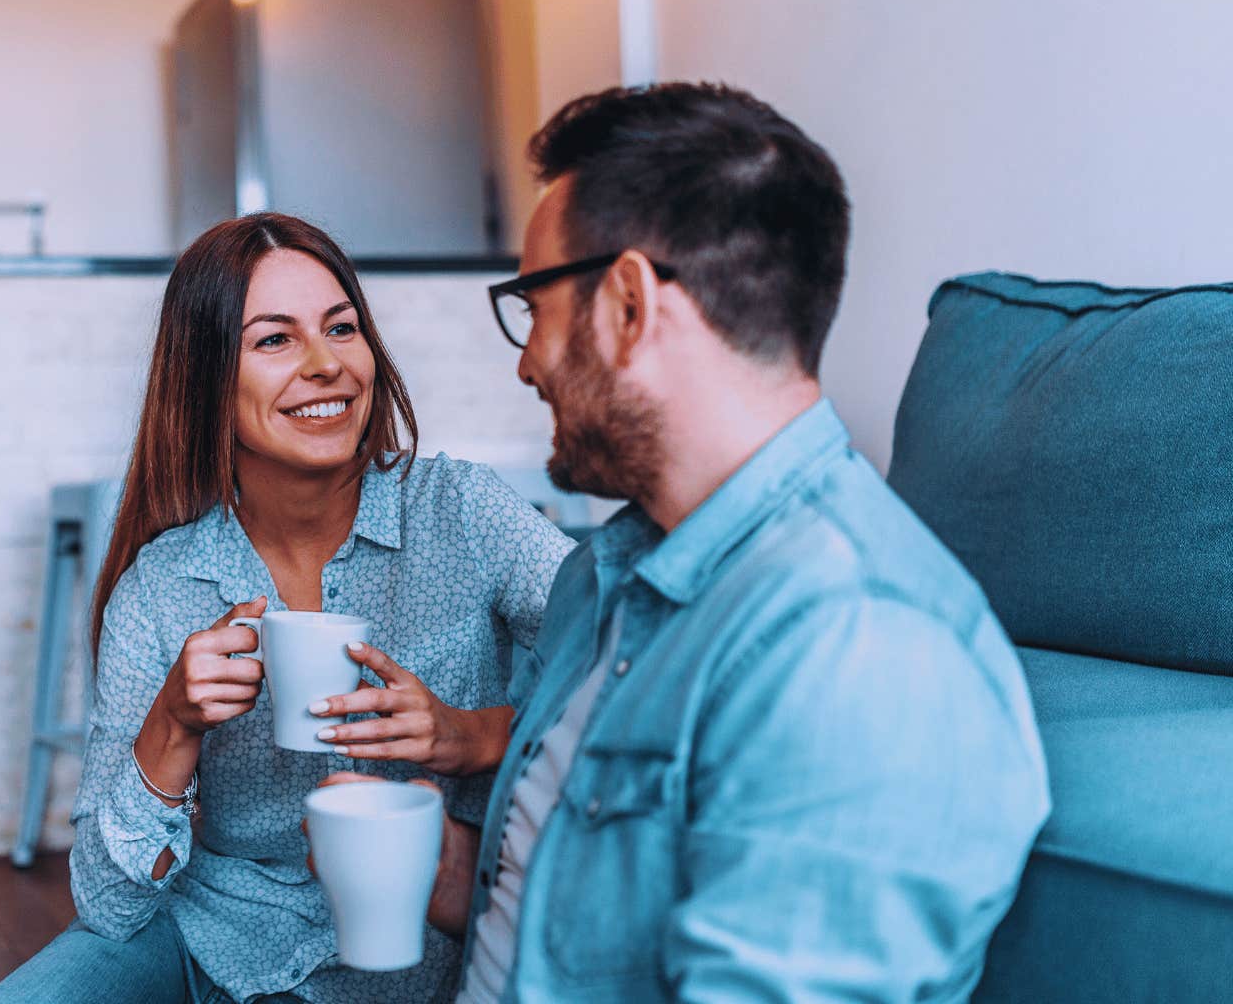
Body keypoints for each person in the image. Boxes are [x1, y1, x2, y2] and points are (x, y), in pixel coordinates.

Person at [321, 82, 1051, 1002]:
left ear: (629, 304)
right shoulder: (603, 576)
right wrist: (434, 866)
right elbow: (570, 938)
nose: (526, 359)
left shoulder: (858, 648)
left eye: (532, 306)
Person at [0, 212, 573, 1003]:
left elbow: (639, 668)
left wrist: (475, 735)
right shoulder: (163, 587)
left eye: (342, 328)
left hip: (430, 948)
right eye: (274, 340)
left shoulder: (462, 513)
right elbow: (110, 906)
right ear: (205, 379)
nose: (327, 364)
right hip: (217, 943)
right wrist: (173, 725)